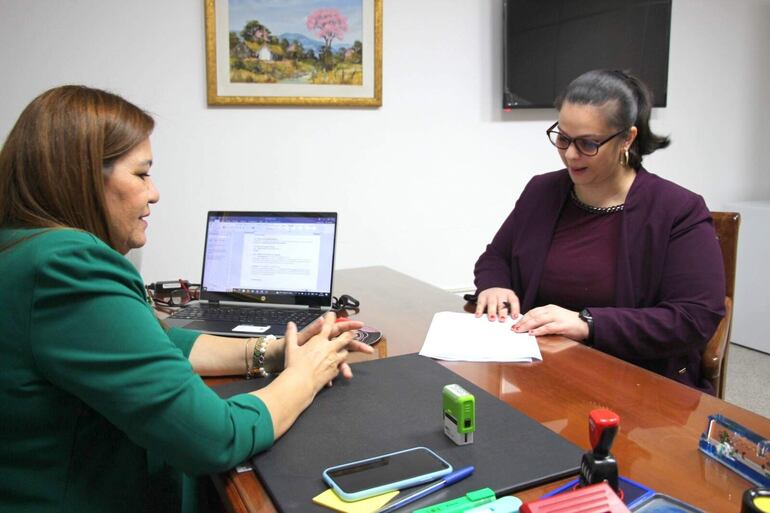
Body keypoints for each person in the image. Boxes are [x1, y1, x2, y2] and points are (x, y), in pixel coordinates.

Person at [0, 85, 374, 513]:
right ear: (80, 177)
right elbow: (214, 438)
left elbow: (154, 342)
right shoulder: (67, 267)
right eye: (141, 174)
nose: (154, 192)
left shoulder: (22, 250)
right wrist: (305, 375)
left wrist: (270, 352)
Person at [473, 69, 725, 393]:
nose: (570, 154)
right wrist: (495, 286)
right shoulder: (542, 191)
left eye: (588, 143)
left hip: (637, 384)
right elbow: (496, 257)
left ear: (627, 139)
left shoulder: (677, 210)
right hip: (541, 372)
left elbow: (694, 318)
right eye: (562, 138)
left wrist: (587, 324)